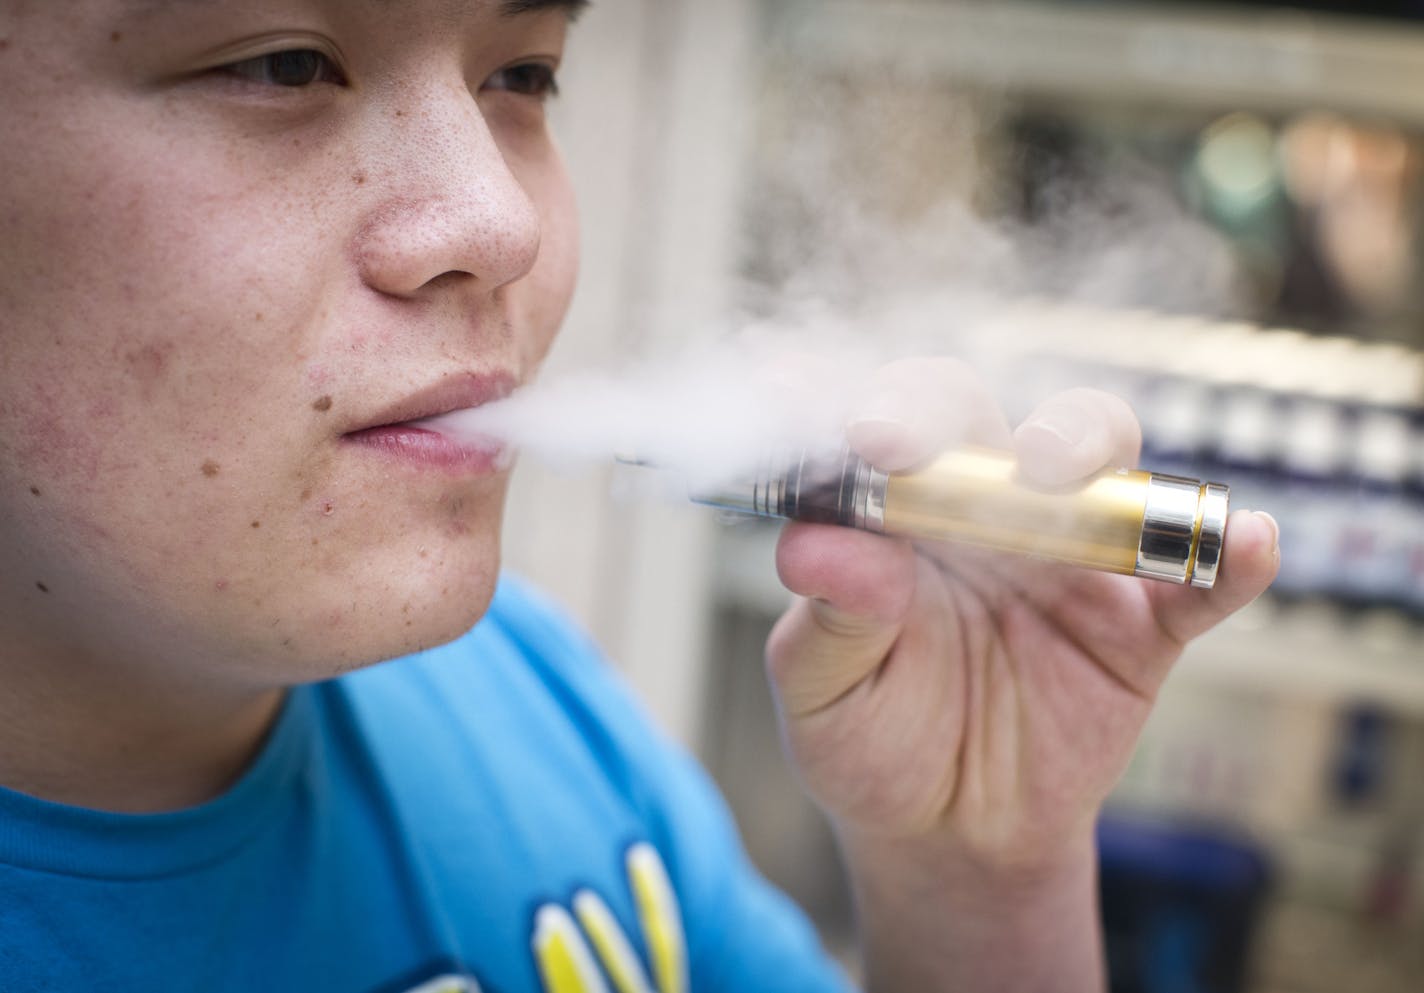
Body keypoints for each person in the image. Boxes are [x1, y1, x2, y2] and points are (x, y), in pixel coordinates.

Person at [0, 1, 1281, 990]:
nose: (498, 223)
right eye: (282, 63)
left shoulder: (532, 696)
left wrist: (978, 881)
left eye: (522, 74)